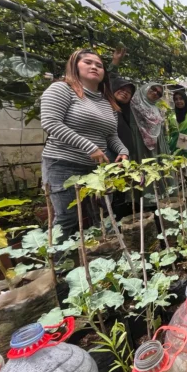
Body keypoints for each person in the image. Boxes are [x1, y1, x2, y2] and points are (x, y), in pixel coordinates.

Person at [41, 49, 129, 239]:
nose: (94, 67)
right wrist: (90, 147)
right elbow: (50, 123)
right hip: (63, 164)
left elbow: (111, 135)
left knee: (102, 215)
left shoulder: (107, 101)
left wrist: (123, 151)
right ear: (75, 66)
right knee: (68, 219)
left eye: (99, 65)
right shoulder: (62, 89)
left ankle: (99, 258)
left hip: (96, 169)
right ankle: (61, 265)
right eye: (88, 62)